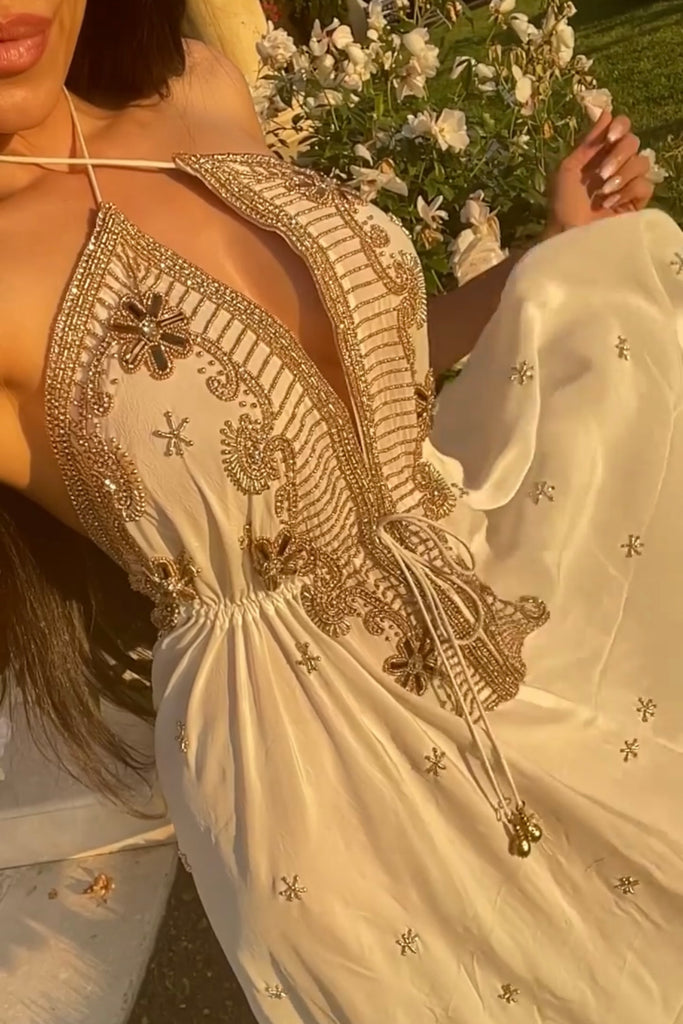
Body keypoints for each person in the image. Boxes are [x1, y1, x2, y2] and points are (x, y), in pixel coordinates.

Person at [0, 1, 681, 1022]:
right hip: (316, 783)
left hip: (491, 605)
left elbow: (339, 374)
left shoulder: (197, 84)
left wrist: (544, 260)